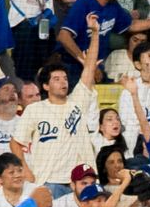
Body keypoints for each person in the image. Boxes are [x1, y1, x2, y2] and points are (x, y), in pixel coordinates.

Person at [11, 55, 98, 198]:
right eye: (56, 79)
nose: (63, 82)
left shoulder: (77, 104)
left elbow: (89, 71)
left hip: (79, 181)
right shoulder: (35, 109)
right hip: (49, 181)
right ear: (46, 86)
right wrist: (26, 171)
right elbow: (15, 143)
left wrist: (95, 34)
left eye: (65, 78)